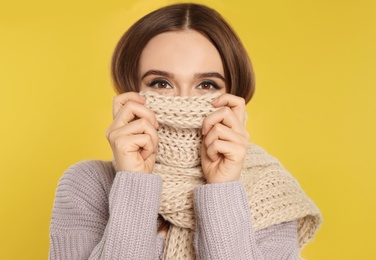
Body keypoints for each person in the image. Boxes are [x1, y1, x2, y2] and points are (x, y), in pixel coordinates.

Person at [49, 3, 321, 260]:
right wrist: (133, 182)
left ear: (233, 95)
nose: (182, 101)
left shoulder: (268, 192)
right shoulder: (89, 185)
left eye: (206, 85)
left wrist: (223, 189)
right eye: (161, 83)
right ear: (130, 92)